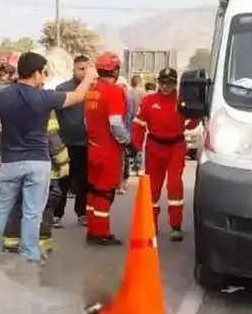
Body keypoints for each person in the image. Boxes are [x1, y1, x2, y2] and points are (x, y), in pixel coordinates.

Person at [0, 52, 94, 263]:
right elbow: (78, 96)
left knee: (1, 207)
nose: (45, 76)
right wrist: (89, 77)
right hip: (38, 163)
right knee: (33, 211)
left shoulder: (1, 96)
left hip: (11, 162)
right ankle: (30, 254)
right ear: (36, 74)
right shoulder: (45, 97)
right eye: (44, 72)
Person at [131, 68, 198, 241]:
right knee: (153, 188)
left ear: (175, 84)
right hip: (154, 148)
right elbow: (138, 123)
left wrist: (196, 112)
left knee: (175, 185)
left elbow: (190, 124)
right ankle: (150, 224)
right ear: (158, 82)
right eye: (162, 82)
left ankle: (176, 225)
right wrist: (135, 145)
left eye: (169, 83)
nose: (165, 86)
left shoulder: (182, 102)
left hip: (176, 147)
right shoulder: (148, 101)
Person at [1, 111, 69, 255]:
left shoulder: (6, 103)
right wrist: (63, 161)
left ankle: (12, 240)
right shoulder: (43, 105)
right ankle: (41, 241)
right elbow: (52, 138)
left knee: (18, 200)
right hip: (40, 165)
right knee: (47, 201)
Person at [83, 51, 131, 246]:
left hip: (93, 147)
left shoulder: (91, 91)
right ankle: (101, 233)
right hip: (108, 150)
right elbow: (116, 123)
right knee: (104, 192)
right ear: (116, 70)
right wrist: (127, 141)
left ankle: (92, 228)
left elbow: (86, 122)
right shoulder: (115, 91)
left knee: (93, 190)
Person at [53, 55, 90, 227]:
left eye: (86, 69)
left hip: (86, 144)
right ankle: (56, 214)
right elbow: (55, 116)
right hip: (65, 144)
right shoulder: (62, 89)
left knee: (83, 181)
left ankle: (82, 213)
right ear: (73, 69)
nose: (83, 72)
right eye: (80, 69)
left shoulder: (94, 89)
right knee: (63, 181)